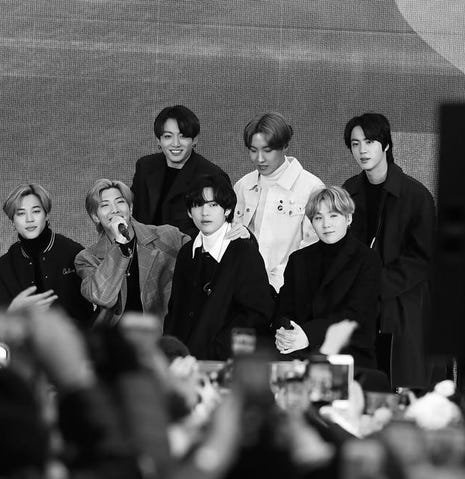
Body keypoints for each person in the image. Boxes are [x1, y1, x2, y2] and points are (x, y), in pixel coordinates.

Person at [341, 112, 436, 389]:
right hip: (360, 307)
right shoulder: (349, 191)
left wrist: (377, 285)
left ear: (386, 144)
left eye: (369, 142)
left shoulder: (416, 195)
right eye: (355, 144)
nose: (362, 150)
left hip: (402, 306)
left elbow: (422, 258)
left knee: (400, 382)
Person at [76, 179, 249, 328]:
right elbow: (102, 297)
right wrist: (120, 246)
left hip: (162, 333)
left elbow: (207, 258)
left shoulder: (167, 236)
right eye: (105, 205)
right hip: (115, 340)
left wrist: (240, 237)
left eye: (120, 202)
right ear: (95, 216)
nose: (115, 210)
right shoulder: (87, 258)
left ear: (130, 208)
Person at [164, 175, 275, 360]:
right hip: (185, 361)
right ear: (189, 212)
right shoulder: (187, 252)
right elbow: (175, 311)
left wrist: (222, 352)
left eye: (213, 205)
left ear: (227, 210)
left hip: (227, 361)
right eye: (198, 205)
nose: (204, 213)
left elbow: (258, 315)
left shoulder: (243, 251)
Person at [275, 186, 381, 371]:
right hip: (300, 353)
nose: (326, 224)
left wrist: (308, 335)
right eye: (318, 218)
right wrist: (285, 333)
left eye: (333, 216)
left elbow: (356, 316)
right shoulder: (298, 260)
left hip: (349, 354)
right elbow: (283, 309)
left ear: (348, 218)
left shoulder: (367, 259)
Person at [233, 112, 324, 292]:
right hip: (244, 286)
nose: (259, 159)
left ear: (285, 146)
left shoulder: (311, 187)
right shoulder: (243, 185)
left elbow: (313, 248)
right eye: (253, 150)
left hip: (291, 288)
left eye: (267, 150)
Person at [0, 183, 93, 327]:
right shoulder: (3, 267)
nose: (29, 219)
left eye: (36, 211)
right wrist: (14, 310)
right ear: (12, 221)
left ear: (46, 215)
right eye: (21, 213)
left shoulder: (74, 253)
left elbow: (97, 306)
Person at [131, 105, 230, 237]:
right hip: (144, 246)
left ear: (194, 140)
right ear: (158, 140)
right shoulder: (145, 167)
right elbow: (135, 213)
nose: (176, 144)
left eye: (183, 136)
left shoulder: (212, 175)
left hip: (189, 248)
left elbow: (222, 228)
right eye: (168, 136)